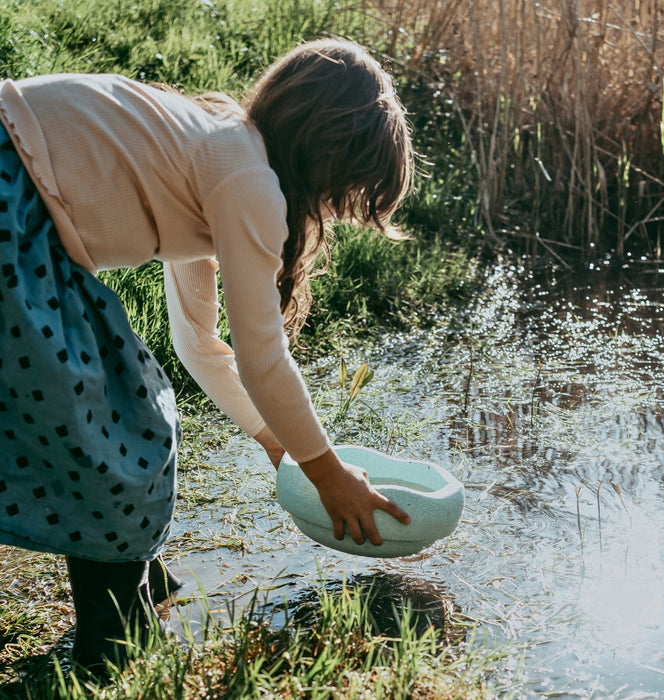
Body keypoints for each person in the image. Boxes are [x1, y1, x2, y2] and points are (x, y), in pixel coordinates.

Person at [0, 37, 413, 673]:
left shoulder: (219, 150)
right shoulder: (247, 178)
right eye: (343, 191)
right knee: (114, 418)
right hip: (11, 191)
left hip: (20, 198)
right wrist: (329, 475)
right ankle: (113, 641)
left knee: (123, 408)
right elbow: (263, 359)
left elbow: (197, 342)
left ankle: (135, 590)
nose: (333, 210)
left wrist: (277, 442)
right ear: (323, 151)